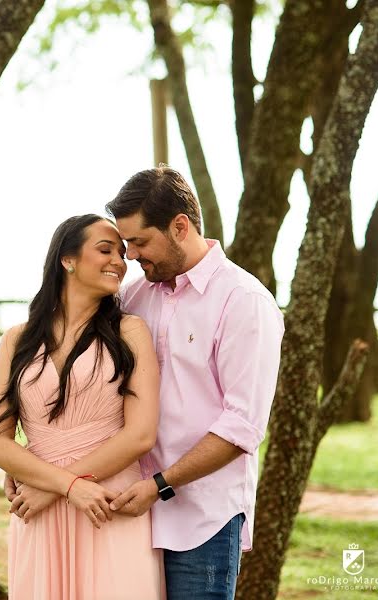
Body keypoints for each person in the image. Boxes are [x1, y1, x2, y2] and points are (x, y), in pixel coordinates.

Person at [105, 166, 283, 598]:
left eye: (140, 242)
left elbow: (242, 425)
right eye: (126, 243)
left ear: (180, 226)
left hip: (203, 521)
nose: (130, 255)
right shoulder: (133, 297)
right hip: (127, 513)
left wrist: (160, 485)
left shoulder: (244, 301)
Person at [0, 214, 165, 600]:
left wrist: (63, 487)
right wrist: (65, 488)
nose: (119, 260)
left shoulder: (129, 331)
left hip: (107, 504)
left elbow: (140, 435)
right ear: (67, 259)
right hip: (38, 511)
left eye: (122, 252)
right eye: (105, 249)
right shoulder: (17, 340)